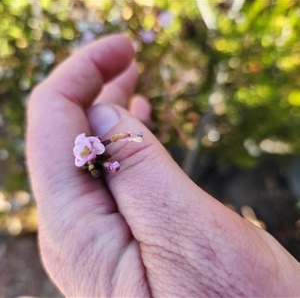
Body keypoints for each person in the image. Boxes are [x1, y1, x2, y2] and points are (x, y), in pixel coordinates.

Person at [26, 34, 300, 297]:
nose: (87, 149)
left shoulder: (95, 147)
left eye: (88, 147)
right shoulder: (87, 155)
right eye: (86, 150)